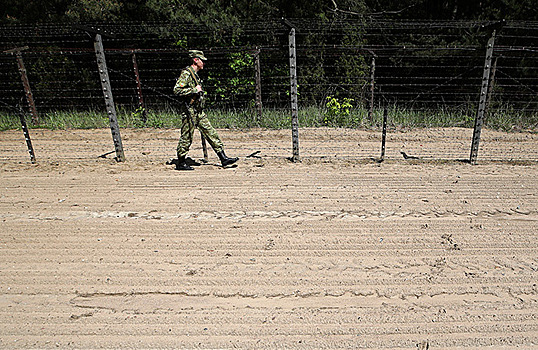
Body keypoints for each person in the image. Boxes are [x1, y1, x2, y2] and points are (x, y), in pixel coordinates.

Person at [173, 50, 238, 170]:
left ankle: (223, 158)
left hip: (198, 111)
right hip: (189, 111)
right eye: (201, 60)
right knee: (187, 136)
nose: (203, 63)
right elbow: (177, 90)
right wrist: (193, 90)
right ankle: (181, 162)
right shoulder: (187, 74)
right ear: (195, 60)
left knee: (210, 132)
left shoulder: (195, 74)